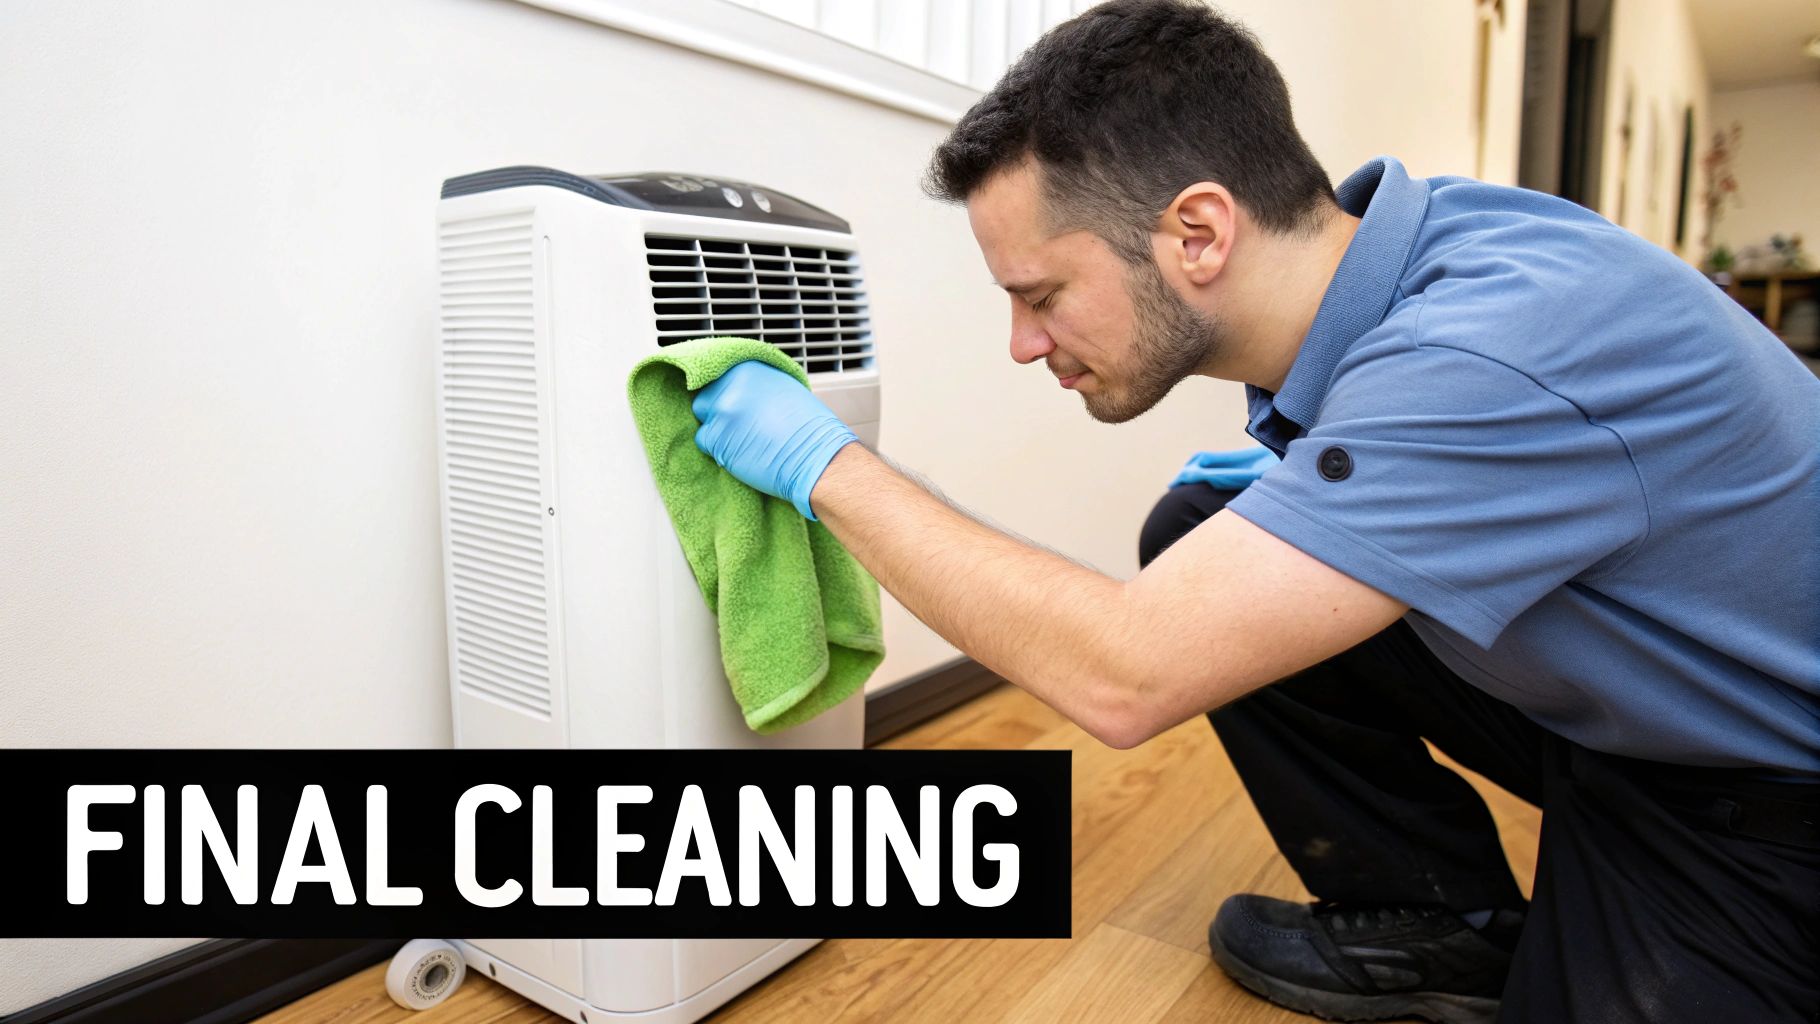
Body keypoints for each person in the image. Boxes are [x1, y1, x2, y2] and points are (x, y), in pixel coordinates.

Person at [686, 1, 1820, 1021]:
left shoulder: (1489, 353)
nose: (1024, 343)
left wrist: (823, 464)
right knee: (1195, 527)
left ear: (1196, 233)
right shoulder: (1436, 243)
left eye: (1040, 296)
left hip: (1759, 797)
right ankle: (1444, 926)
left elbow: (1126, 678)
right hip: (1615, 699)